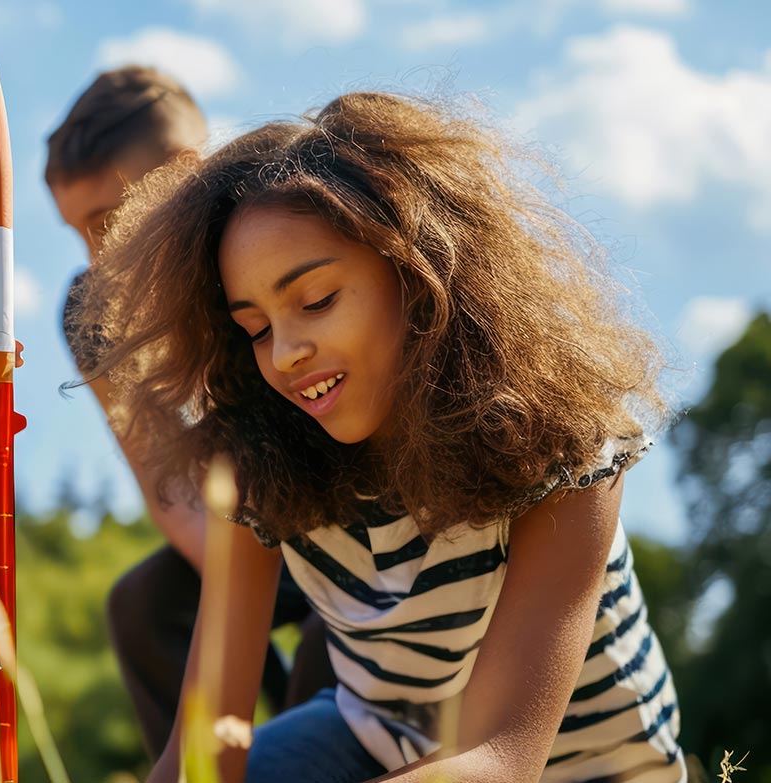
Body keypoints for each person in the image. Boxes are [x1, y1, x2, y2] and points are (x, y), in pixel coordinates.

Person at [77, 92, 684, 782]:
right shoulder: (254, 460)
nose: (285, 353)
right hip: (376, 744)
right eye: (256, 327)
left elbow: (502, 759)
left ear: (419, 272)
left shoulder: (567, 443)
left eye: (316, 301)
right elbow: (204, 751)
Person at [44, 65, 333, 761]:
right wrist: (239, 583)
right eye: (77, 231)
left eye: (108, 221)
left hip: (342, 510)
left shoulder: (266, 247)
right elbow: (165, 486)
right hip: (242, 527)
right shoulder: (94, 314)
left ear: (184, 173)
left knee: (343, 594)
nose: (97, 253)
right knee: (142, 603)